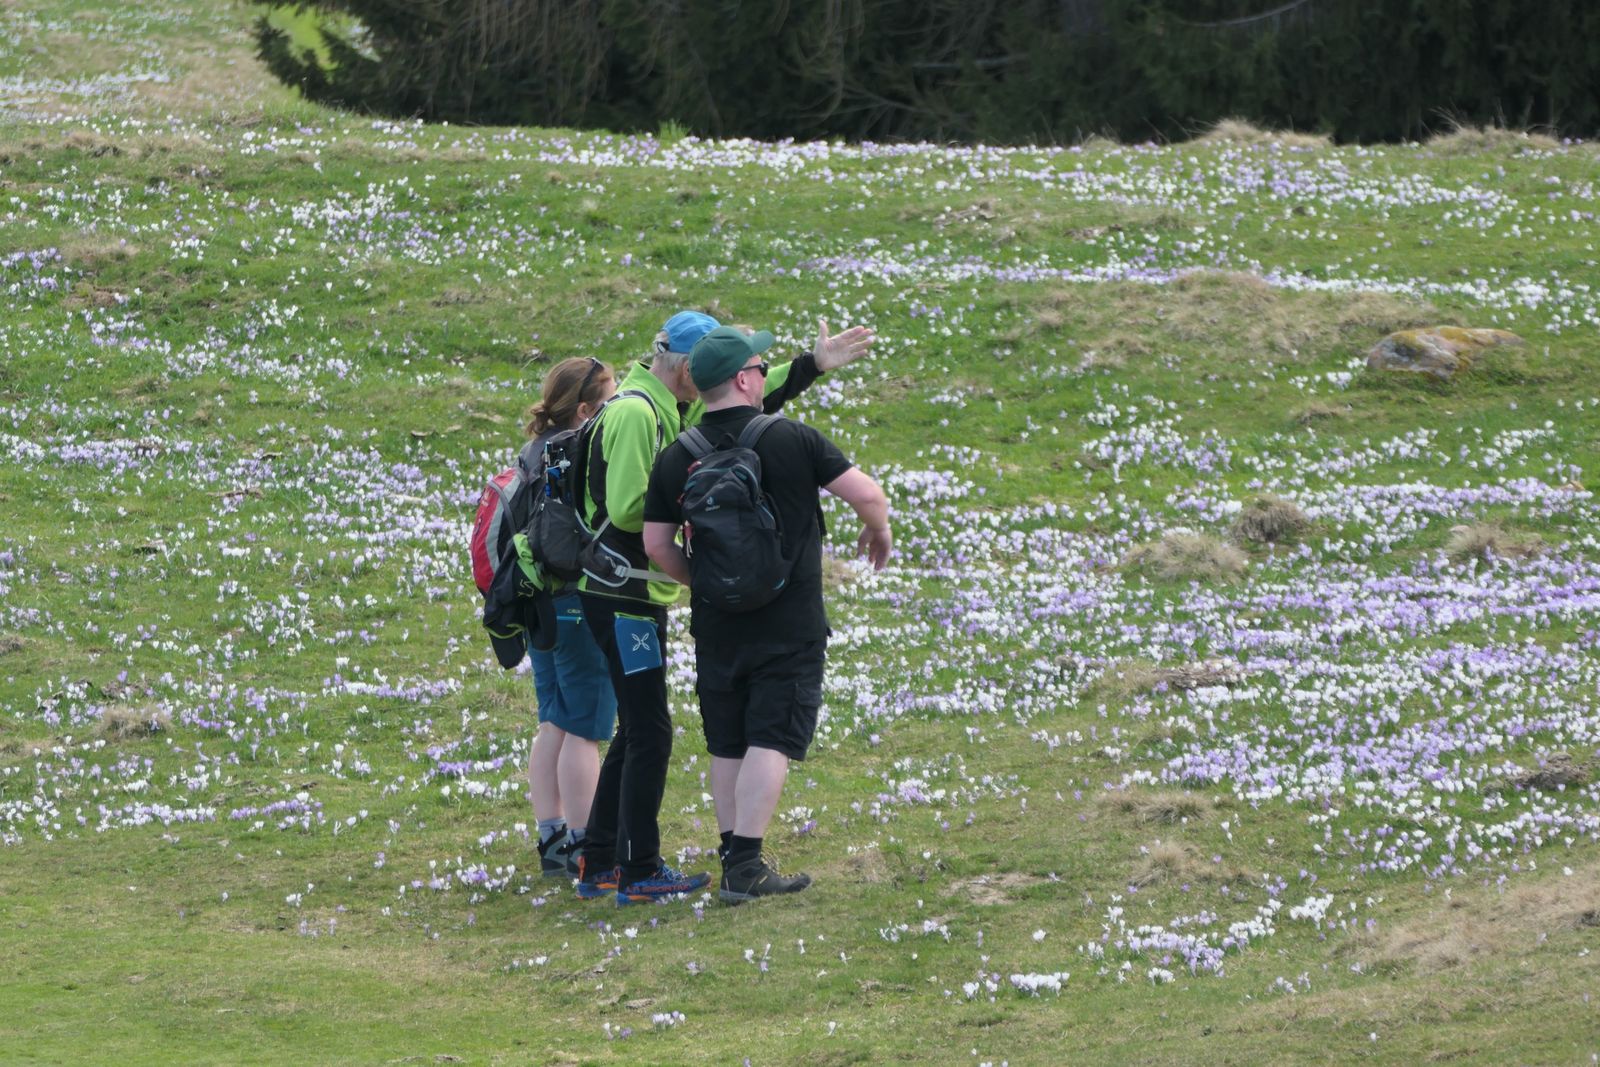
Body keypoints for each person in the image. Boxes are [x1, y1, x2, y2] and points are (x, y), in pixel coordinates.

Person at [575, 310, 874, 906]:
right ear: (689, 367)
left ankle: (600, 860)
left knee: (640, 729)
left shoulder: (674, 409)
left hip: (643, 593)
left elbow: (738, 412)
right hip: (623, 596)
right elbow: (631, 510)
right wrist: (701, 510)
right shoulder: (638, 413)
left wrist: (811, 365)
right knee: (648, 732)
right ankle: (633, 870)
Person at [521, 356, 619, 878]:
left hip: (539, 601)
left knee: (555, 720)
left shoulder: (534, 449)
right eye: (610, 399)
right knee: (585, 729)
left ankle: (552, 837)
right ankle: (588, 846)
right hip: (578, 600)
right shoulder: (580, 450)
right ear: (585, 409)